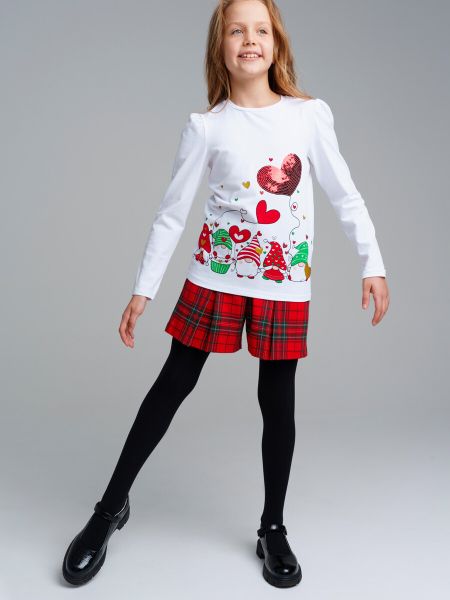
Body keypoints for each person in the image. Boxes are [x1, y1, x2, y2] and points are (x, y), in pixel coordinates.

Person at [61, 0, 390, 590]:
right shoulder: (206, 126)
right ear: (220, 46)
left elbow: (345, 194)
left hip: (282, 282)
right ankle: (108, 510)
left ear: (276, 43)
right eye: (237, 30)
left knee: (278, 401)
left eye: (261, 29)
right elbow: (171, 213)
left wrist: (373, 262)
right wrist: (143, 290)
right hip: (215, 276)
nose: (250, 39)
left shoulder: (308, 116)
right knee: (171, 385)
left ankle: (272, 527)